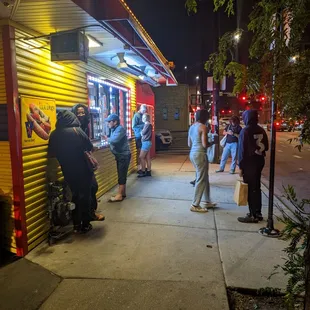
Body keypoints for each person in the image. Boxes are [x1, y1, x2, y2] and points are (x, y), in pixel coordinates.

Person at [48, 110, 95, 233]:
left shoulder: (54, 134)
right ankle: (85, 224)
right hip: (83, 170)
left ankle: (75, 224)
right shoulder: (77, 131)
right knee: (85, 195)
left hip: (67, 170)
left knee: (74, 195)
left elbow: (51, 153)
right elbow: (90, 147)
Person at [71, 104, 104, 222]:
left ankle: (88, 213)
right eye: (78, 113)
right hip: (79, 164)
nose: (80, 115)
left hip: (84, 162)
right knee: (88, 189)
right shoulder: (75, 129)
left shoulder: (85, 127)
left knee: (91, 188)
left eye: (82, 112)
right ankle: (87, 216)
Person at [237, 110, 269, 223]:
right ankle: (258, 212)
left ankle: (252, 215)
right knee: (256, 187)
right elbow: (267, 147)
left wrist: (240, 167)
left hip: (249, 162)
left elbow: (241, 151)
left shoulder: (245, 131)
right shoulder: (261, 129)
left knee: (250, 188)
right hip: (259, 161)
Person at [188, 110, 216, 213]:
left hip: (193, 154)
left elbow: (189, 143)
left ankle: (207, 201)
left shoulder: (191, 127)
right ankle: (195, 204)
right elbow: (205, 144)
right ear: (205, 117)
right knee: (201, 179)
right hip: (200, 154)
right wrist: (212, 142)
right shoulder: (204, 127)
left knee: (204, 178)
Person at [103, 114, 131, 202]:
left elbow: (114, 140)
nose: (108, 123)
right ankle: (123, 193)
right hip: (120, 155)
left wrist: (106, 139)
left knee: (121, 175)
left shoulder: (120, 129)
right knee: (122, 174)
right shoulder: (113, 129)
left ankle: (119, 195)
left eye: (109, 121)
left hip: (123, 155)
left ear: (115, 122)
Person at [132, 104, 147, 173]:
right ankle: (139, 168)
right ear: (140, 109)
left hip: (143, 136)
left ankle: (143, 167)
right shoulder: (136, 116)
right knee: (139, 152)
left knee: (143, 153)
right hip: (138, 136)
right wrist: (144, 125)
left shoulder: (142, 115)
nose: (144, 112)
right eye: (143, 110)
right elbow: (134, 126)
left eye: (145, 111)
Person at [138, 113, 153, 178]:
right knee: (147, 158)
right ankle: (148, 171)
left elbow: (142, 133)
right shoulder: (149, 125)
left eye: (143, 117)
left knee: (141, 157)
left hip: (145, 143)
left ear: (145, 118)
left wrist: (141, 132)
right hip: (148, 142)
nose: (142, 119)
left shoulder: (147, 125)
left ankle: (143, 171)